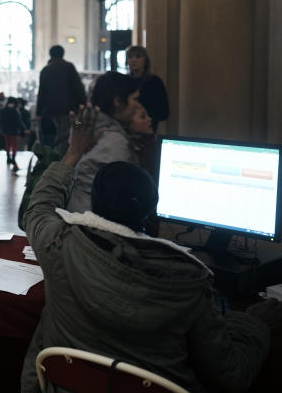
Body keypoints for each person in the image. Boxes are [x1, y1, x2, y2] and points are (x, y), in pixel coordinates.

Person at [20, 105, 280, 393]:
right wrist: (253, 324)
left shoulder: (59, 245)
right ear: (150, 215)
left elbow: (39, 208)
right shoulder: (189, 282)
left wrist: (74, 151)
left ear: (93, 202)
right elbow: (229, 375)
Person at [66, 71, 141, 213]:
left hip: (75, 211)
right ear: (118, 101)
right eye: (135, 99)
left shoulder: (84, 126)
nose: (138, 106)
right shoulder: (115, 141)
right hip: (93, 220)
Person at [35, 44, 86, 154]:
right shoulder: (69, 67)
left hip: (51, 110)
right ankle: (62, 160)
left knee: (57, 134)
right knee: (66, 134)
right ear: (63, 54)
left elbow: (42, 92)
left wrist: (38, 112)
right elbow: (78, 87)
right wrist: (83, 103)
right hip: (69, 109)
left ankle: (56, 158)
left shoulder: (45, 70)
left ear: (50, 54)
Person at [126, 45, 169, 132]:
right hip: (127, 128)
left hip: (147, 128)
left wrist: (145, 118)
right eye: (130, 57)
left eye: (138, 57)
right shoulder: (124, 81)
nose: (133, 60)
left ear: (145, 60)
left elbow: (163, 111)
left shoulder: (154, 81)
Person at [0, 96, 28, 171]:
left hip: (6, 131)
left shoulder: (4, 110)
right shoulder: (15, 111)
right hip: (14, 131)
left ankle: (8, 157)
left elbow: (1, 121)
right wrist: (24, 129)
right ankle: (13, 158)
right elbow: (19, 121)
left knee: (7, 145)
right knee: (14, 145)